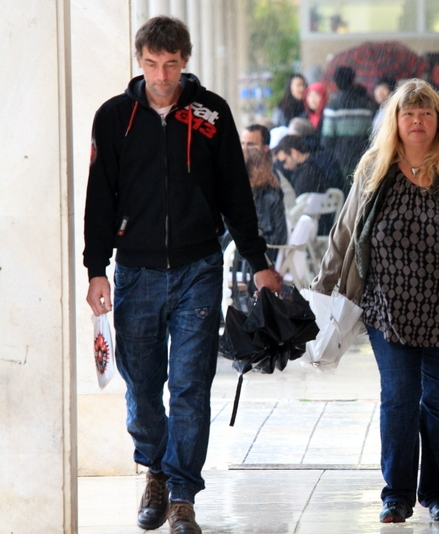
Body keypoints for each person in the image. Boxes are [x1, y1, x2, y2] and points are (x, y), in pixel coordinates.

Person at [82, 16, 281, 534]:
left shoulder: (210, 114)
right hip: (135, 272)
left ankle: (182, 496)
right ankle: (154, 468)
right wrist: (96, 269)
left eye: (171, 65)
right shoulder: (115, 117)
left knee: (191, 386)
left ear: (185, 61)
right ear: (139, 61)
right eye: (152, 64)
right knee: (143, 386)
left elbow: (236, 193)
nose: (162, 76)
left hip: (199, 268)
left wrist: (259, 262)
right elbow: (99, 198)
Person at [309, 79, 439, 524]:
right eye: (408, 114)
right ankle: (396, 495)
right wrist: (322, 288)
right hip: (389, 312)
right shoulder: (375, 166)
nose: (417, 121)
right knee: (398, 401)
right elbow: (345, 231)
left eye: (426, 113)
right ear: (395, 121)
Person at [273, 134, 345, 235]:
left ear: (294, 153)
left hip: (315, 229)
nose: (284, 166)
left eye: (284, 161)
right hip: (335, 224)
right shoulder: (324, 160)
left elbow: (297, 208)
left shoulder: (307, 173)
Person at [240, 124, 288, 262]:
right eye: (242, 143)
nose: (245, 149)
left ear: (265, 148)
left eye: (251, 145)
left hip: (257, 257)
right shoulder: (239, 174)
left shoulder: (268, 182)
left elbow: (270, 232)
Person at [321, 66, 376, 181]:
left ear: (336, 83)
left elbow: (327, 140)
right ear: (353, 81)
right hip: (363, 159)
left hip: (341, 161)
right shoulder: (366, 106)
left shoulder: (332, 107)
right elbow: (371, 135)